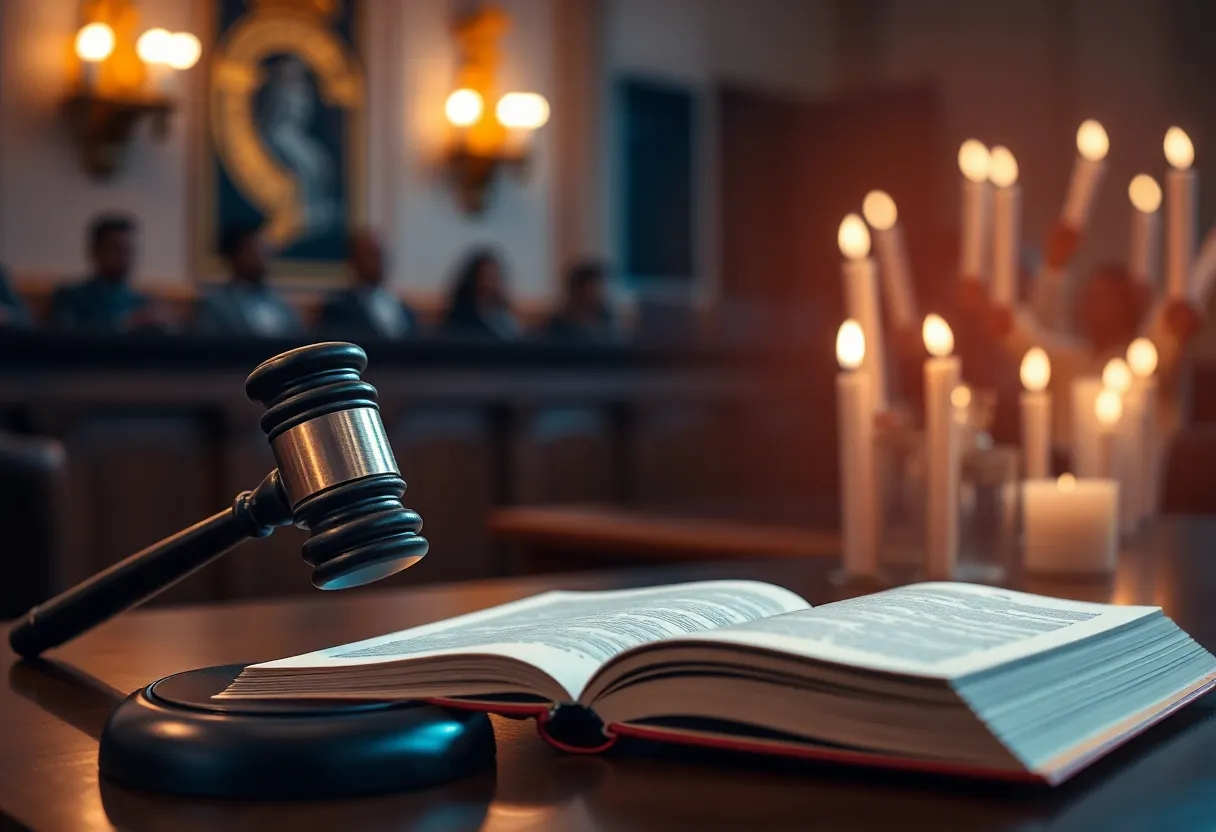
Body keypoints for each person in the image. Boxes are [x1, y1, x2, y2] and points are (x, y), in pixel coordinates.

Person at [195, 224, 302, 337]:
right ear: (233, 257)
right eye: (253, 251)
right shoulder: (217, 304)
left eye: (264, 251)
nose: (261, 258)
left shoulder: (280, 302)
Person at [49, 215, 150, 331]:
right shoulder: (68, 298)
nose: (124, 258)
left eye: (129, 251)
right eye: (116, 250)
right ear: (95, 251)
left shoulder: (142, 302)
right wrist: (124, 323)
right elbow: (66, 340)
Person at [318, 229, 417, 339]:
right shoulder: (338, 307)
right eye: (369, 255)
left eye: (379, 255)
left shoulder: (402, 305)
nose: (376, 262)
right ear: (354, 261)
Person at [440, 249, 519, 340]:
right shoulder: (461, 319)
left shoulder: (504, 317)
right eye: (488, 276)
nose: (494, 282)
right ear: (475, 279)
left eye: (496, 276)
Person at [542, 260, 621, 344]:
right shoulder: (560, 323)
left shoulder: (605, 317)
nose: (600, 292)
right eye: (592, 287)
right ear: (578, 290)